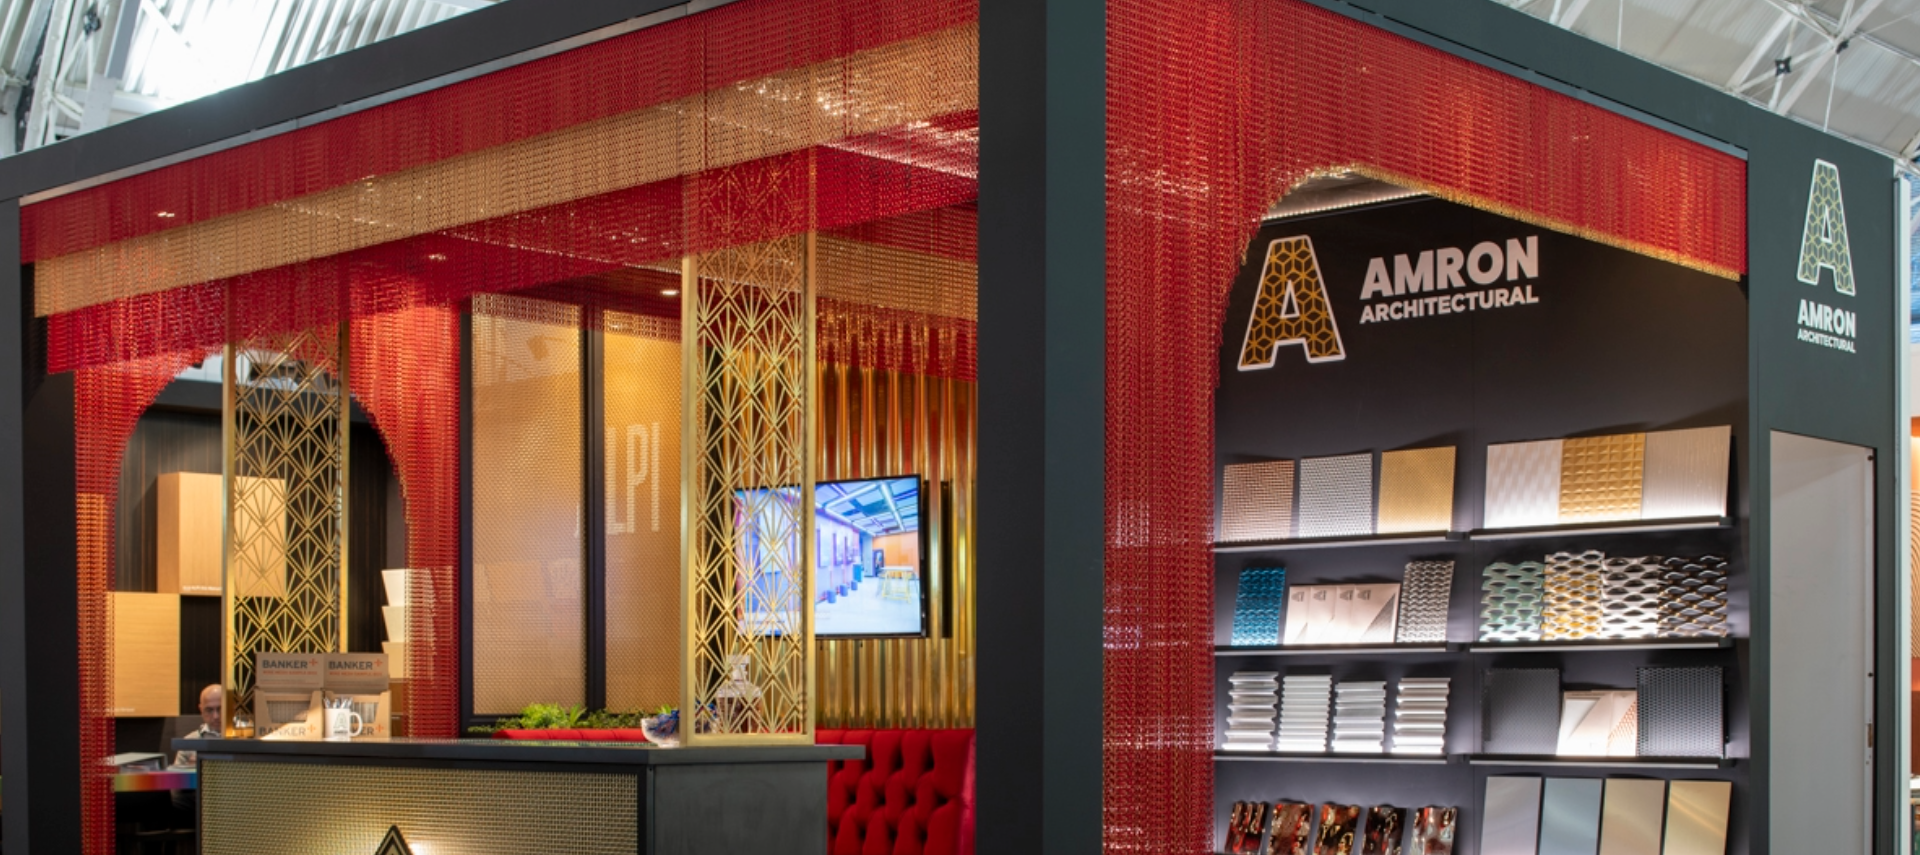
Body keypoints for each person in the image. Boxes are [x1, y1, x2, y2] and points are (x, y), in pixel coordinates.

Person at [172, 684, 221, 769]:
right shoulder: (188, 742)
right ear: (201, 710)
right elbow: (178, 779)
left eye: (221, 709)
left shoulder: (246, 738)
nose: (215, 716)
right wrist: (191, 771)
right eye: (209, 710)